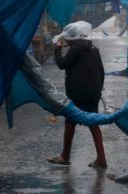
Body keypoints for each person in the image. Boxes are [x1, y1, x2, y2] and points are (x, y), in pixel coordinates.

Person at [47, 21, 107, 168]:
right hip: (93, 92)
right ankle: (101, 159)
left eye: (66, 38)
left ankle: (65, 156)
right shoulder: (93, 49)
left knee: (70, 122)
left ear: (72, 38)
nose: (65, 40)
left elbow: (62, 64)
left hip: (78, 93)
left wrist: (57, 49)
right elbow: (101, 72)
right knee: (93, 123)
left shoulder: (75, 49)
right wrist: (98, 91)